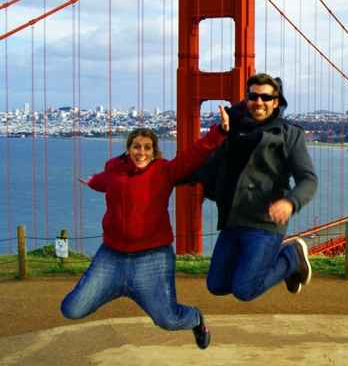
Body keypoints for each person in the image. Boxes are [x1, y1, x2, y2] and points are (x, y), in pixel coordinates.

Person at [60, 106, 229, 350]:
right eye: (136, 146)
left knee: (169, 320)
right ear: (128, 149)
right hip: (112, 257)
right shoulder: (113, 173)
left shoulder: (165, 171)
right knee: (71, 309)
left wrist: (220, 131)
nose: (141, 152)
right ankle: (120, 287)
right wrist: (91, 181)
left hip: (152, 258)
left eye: (147, 147)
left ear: (154, 151)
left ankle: (196, 319)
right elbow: (101, 182)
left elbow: (194, 154)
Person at [193, 73, 317, 302]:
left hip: (264, 223)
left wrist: (290, 202)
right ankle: (280, 263)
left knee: (244, 290)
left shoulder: (289, 135)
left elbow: (308, 179)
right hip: (233, 219)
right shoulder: (230, 127)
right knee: (217, 285)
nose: (259, 102)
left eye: (265, 97)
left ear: (276, 101)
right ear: (246, 98)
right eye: (253, 96)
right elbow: (207, 162)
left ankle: (291, 256)